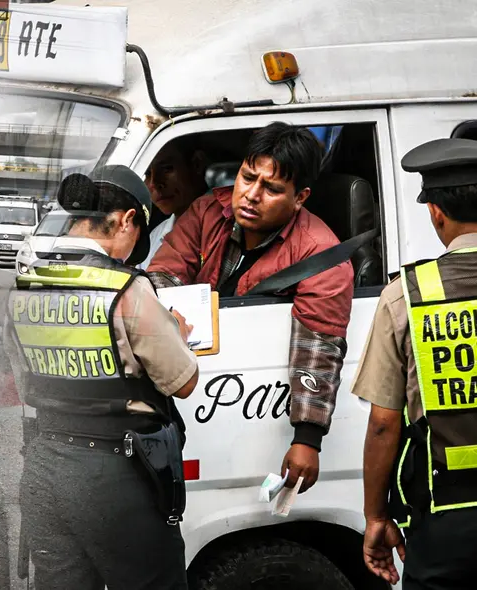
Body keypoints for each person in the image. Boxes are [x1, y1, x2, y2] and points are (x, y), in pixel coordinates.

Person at [6, 165, 199, 589]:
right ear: (128, 219)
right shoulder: (126, 288)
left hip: (44, 467)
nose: (134, 252)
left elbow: (24, 378)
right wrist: (178, 334)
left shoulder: (26, 281)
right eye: (137, 237)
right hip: (116, 474)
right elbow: (182, 381)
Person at [147, 121, 353, 494]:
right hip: (192, 383)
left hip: (251, 402)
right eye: (247, 177)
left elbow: (318, 349)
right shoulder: (209, 209)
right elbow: (164, 271)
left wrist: (307, 439)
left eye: (272, 188)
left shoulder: (322, 255)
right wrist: (168, 312)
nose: (250, 195)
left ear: (301, 197)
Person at [353, 138, 477, 590]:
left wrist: (376, 515)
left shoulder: (406, 294)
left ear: (436, 213)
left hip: (443, 519)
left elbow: (385, 423)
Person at [138, 137, 211, 269]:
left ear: (197, 164)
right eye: (147, 174)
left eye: (167, 169)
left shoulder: (223, 228)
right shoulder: (156, 236)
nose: (154, 183)